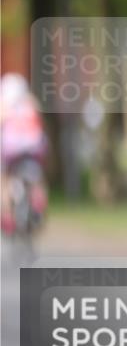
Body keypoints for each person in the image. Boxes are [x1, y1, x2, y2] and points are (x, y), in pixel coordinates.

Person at [0, 73, 49, 235]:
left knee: (5, 179)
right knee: (38, 177)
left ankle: (7, 216)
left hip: (11, 151)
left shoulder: (4, 105)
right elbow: (40, 124)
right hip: (34, 148)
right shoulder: (31, 103)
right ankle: (39, 201)